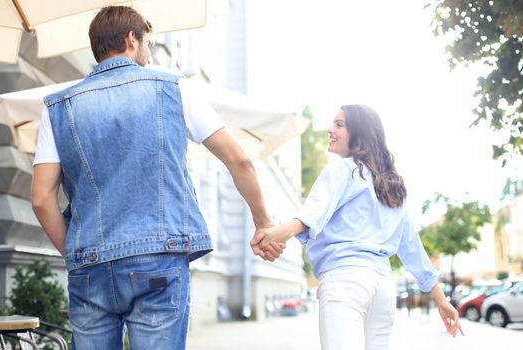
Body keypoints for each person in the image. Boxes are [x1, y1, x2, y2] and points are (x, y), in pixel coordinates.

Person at [31, 6, 282, 350]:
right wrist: (263, 221)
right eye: (148, 43)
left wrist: (77, 253)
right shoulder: (174, 89)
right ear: (132, 39)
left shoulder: (58, 107)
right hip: (159, 261)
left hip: (90, 267)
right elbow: (240, 160)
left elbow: (41, 198)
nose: (149, 54)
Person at [251, 104, 464, 350]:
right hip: (383, 288)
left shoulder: (341, 168)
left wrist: (274, 233)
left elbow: (312, 215)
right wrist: (441, 299)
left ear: (359, 134)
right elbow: (411, 246)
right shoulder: (392, 185)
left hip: (345, 280)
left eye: (339, 124)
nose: (330, 129)